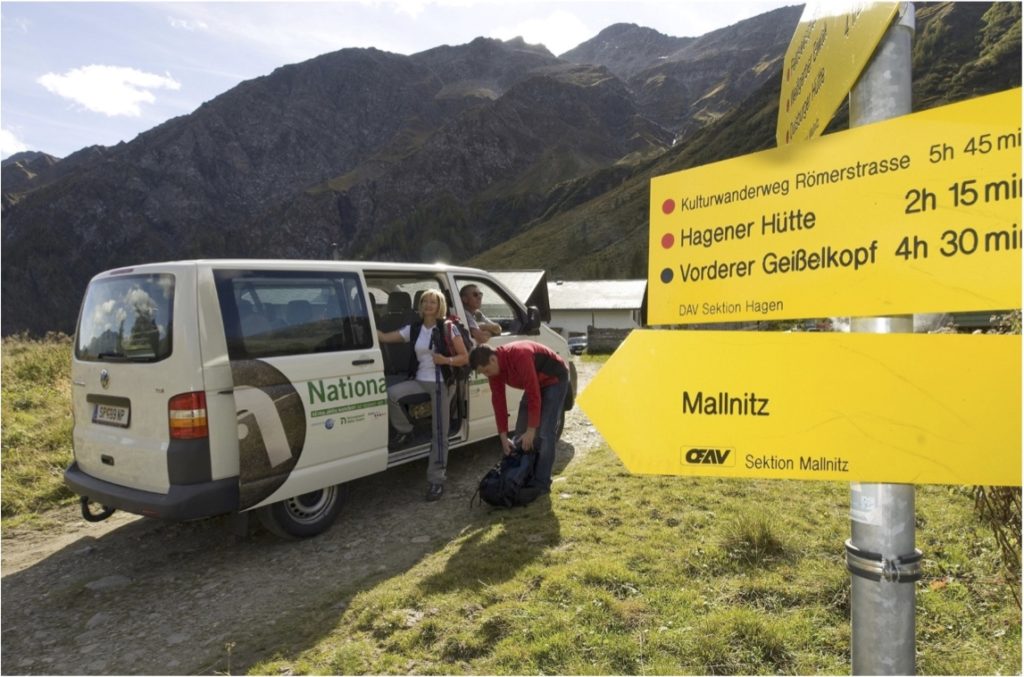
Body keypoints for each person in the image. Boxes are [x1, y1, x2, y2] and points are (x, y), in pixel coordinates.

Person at [378, 289, 469, 501]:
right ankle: (406, 430)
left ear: (440, 306)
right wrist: (366, 326)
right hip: (420, 380)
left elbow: (464, 357)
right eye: (424, 301)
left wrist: (445, 361)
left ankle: (436, 481)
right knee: (391, 394)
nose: (428, 305)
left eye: (433, 302)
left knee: (439, 434)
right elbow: (384, 337)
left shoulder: (449, 328)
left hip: (440, 383)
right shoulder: (415, 328)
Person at [469, 341, 569, 492]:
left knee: (545, 433)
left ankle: (542, 484)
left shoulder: (520, 355)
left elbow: (534, 394)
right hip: (535, 384)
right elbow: (499, 403)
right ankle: (523, 475)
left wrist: (532, 429)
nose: (486, 375)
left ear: (493, 359)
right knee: (520, 433)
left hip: (555, 379)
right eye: (483, 373)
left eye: (486, 371)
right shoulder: (494, 372)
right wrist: (503, 437)